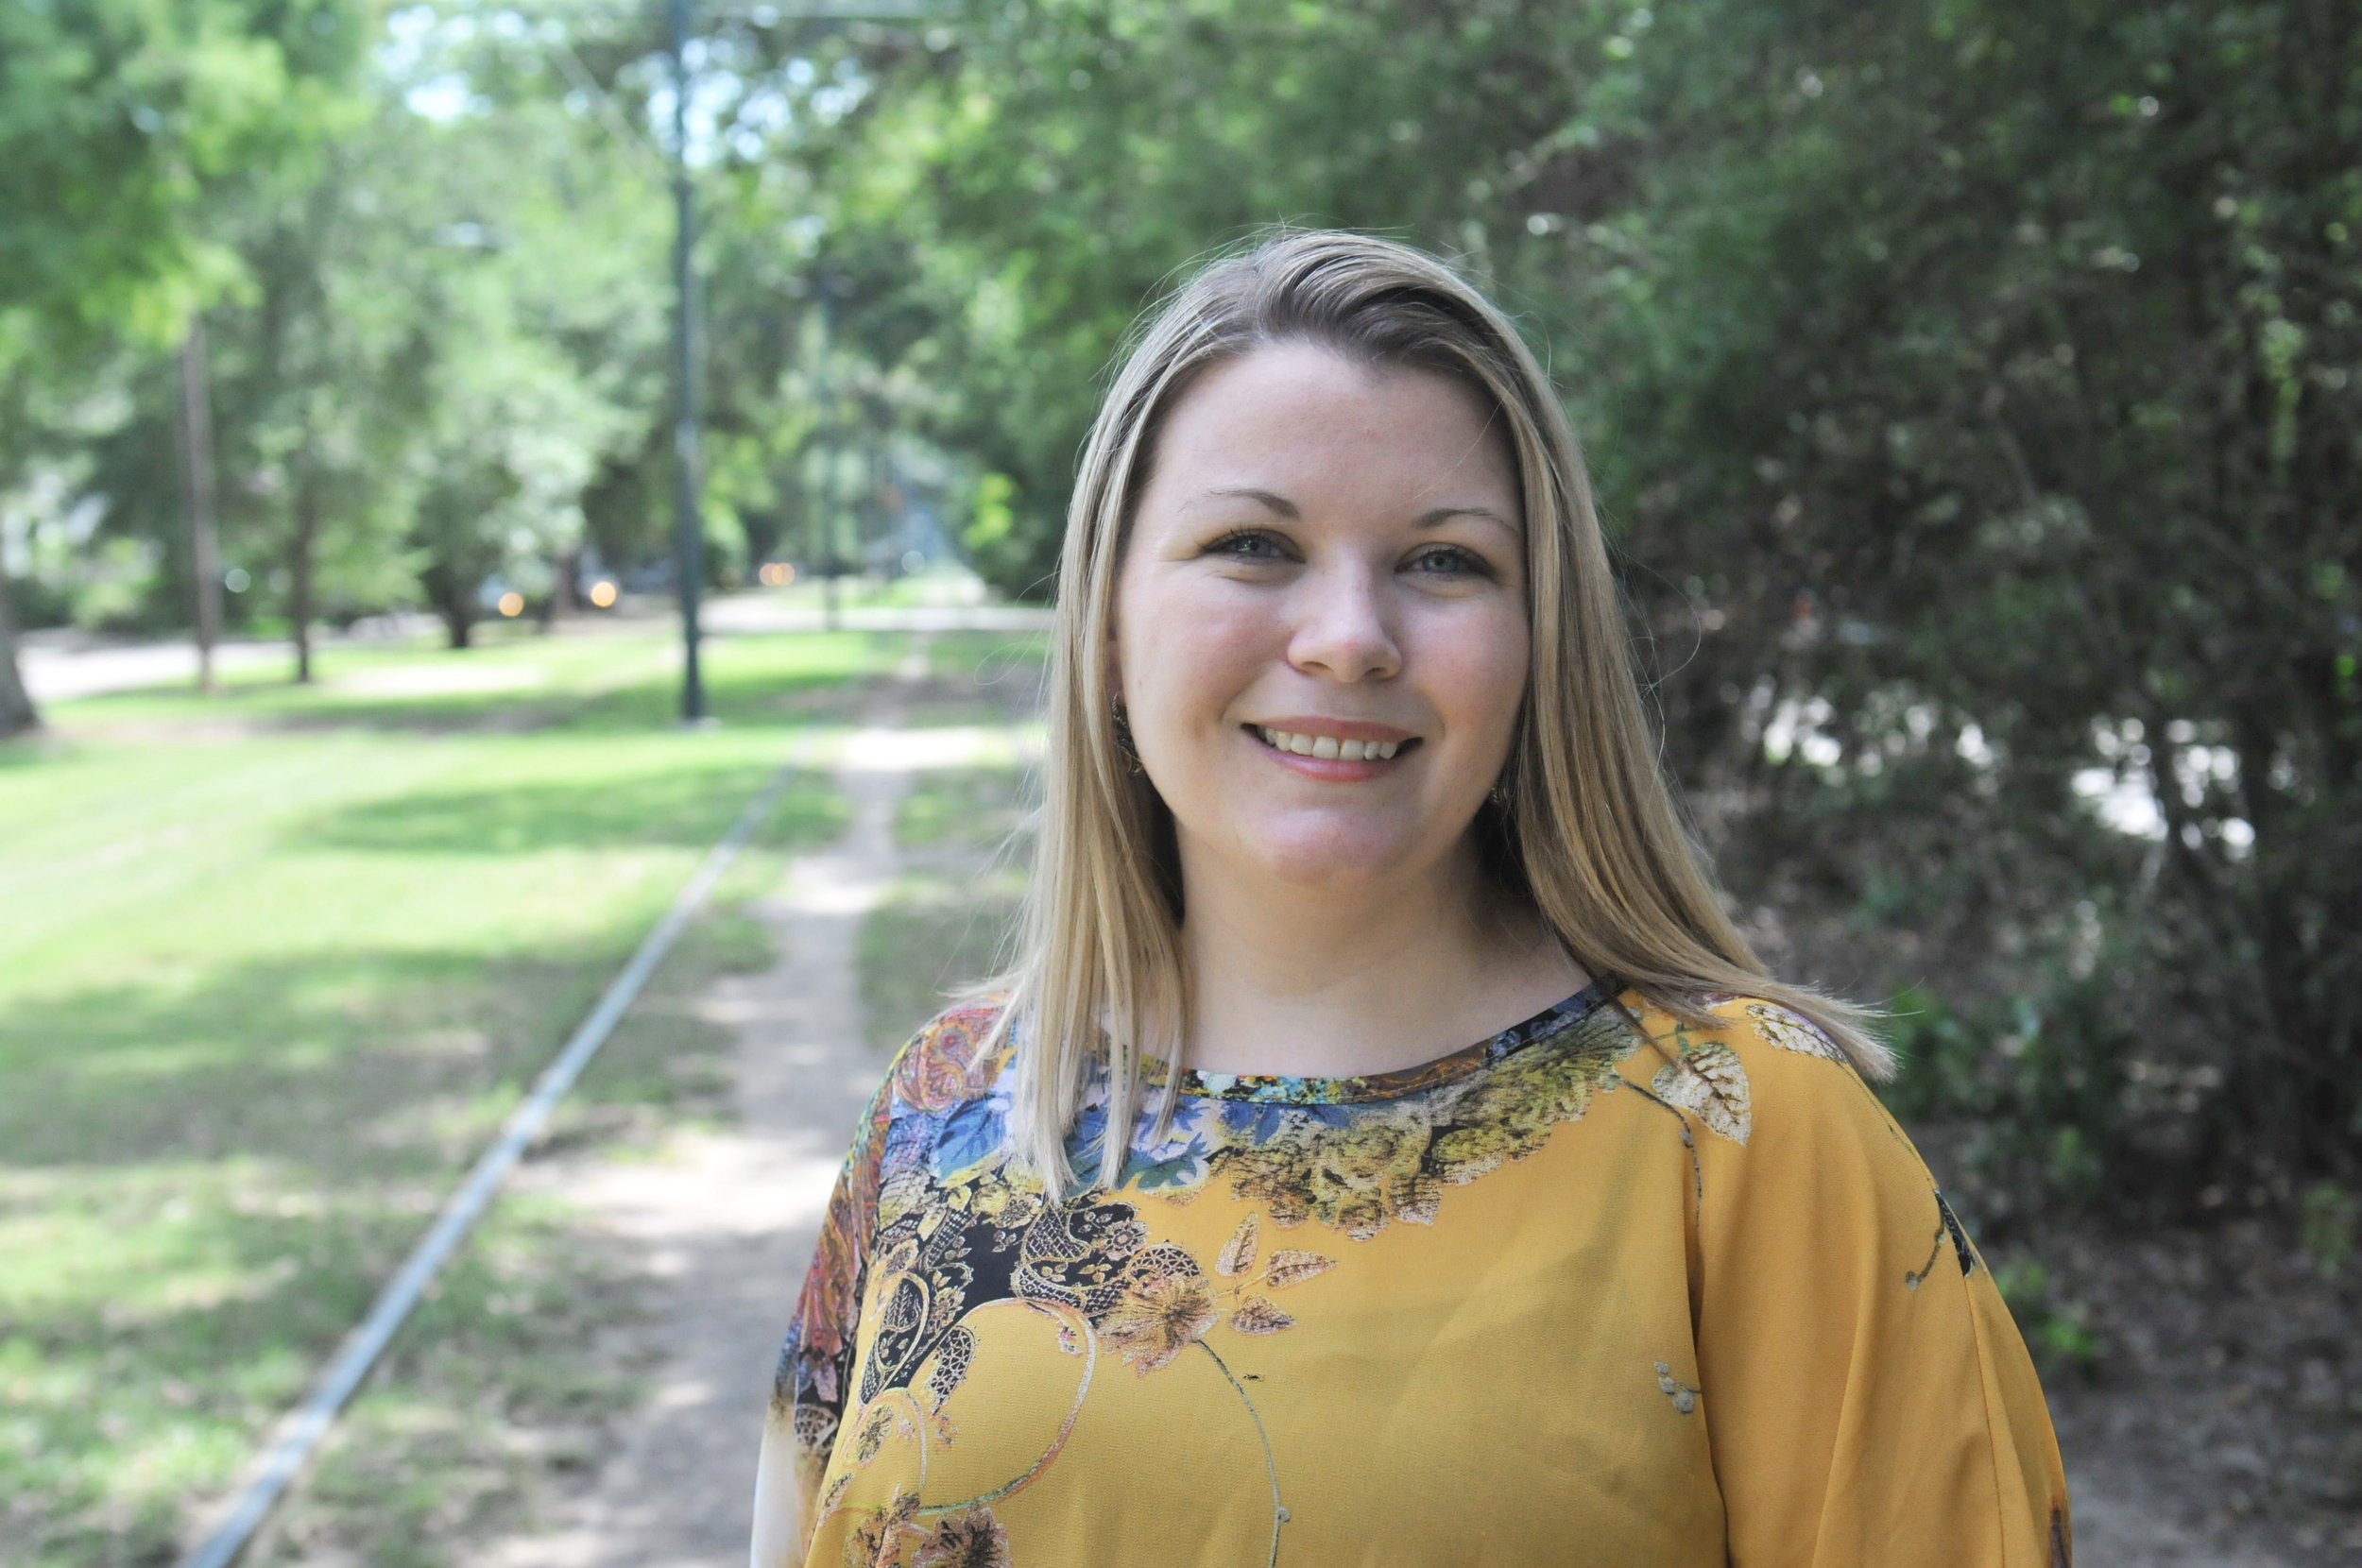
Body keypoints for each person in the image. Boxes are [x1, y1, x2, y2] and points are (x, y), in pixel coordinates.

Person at [749, 229, 2072, 1567]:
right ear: (1106, 621)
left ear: (1540, 642)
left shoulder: (1744, 1134)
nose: (1349, 638)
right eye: (1254, 544)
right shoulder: (942, 1110)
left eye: (1444, 561)